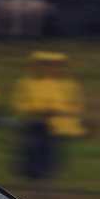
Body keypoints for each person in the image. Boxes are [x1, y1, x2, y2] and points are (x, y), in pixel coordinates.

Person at [10, 51, 86, 181]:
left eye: (54, 65)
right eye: (45, 65)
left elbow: (77, 106)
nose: (49, 68)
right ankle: (30, 170)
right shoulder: (26, 83)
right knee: (33, 141)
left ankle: (47, 171)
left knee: (52, 146)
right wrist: (37, 110)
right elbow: (18, 104)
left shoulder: (69, 85)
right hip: (34, 120)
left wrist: (59, 111)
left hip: (58, 122)